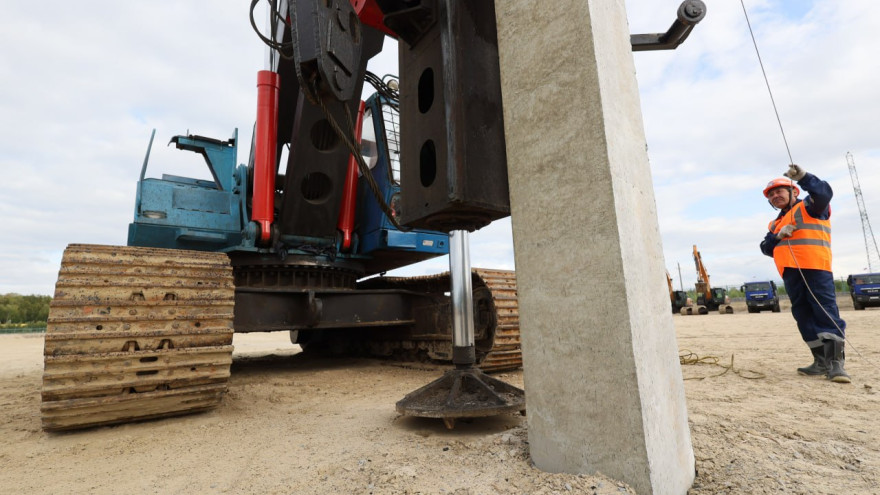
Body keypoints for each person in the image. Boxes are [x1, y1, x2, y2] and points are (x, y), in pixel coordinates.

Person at [760, 164, 850, 383]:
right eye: (771, 194)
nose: (774, 196)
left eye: (779, 191)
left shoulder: (810, 207)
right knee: (803, 316)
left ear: (794, 192)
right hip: (791, 274)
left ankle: (836, 364)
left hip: (815, 268)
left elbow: (823, 193)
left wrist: (804, 177)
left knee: (825, 312)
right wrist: (777, 236)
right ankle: (820, 362)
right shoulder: (775, 223)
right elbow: (765, 247)